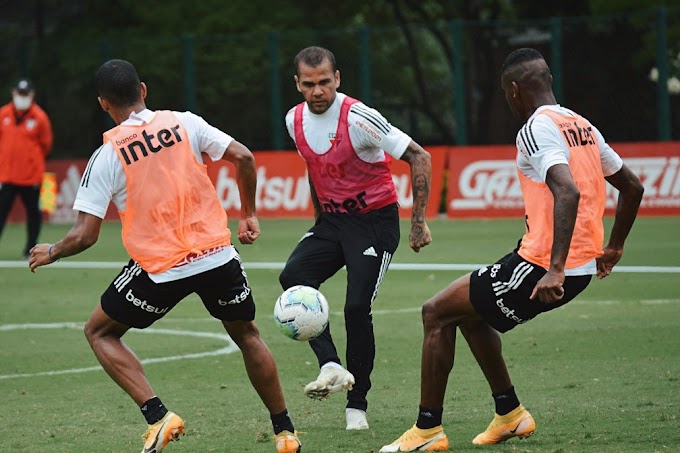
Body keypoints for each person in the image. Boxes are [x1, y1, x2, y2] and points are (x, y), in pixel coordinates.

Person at [28, 59, 301, 453]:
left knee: (99, 332)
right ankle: (285, 432)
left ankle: (158, 416)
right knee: (247, 335)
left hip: (161, 268)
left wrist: (52, 250)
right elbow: (243, 156)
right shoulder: (186, 122)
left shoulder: (106, 155)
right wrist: (250, 213)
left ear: (103, 104)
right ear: (144, 90)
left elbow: (85, 235)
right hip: (217, 255)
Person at [380, 47, 644, 452]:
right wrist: (614, 246)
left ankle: (427, 430)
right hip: (576, 263)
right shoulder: (581, 125)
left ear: (515, 90)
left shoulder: (536, 129)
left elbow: (567, 191)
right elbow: (632, 186)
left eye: (506, 93)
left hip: (544, 266)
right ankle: (510, 414)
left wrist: (555, 269)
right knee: (469, 314)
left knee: (435, 312)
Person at [278, 46, 433, 431]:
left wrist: (418, 223)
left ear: (338, 79)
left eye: (325, 82)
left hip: (374, 223)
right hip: (332, 222)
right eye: (310, 84)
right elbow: (315, 171)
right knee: (292, 276)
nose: (318, 91)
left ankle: (357, 405)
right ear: (297, 84)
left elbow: (420, 156)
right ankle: (330, 364)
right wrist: (319, 223)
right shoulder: (293, 120)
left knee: (355, 308)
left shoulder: (360, 118)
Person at [0, 78, 53, 258]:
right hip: (6, 175)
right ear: (13, 94)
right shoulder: (3, 114)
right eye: (19, 94)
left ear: (31, 96)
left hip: (31, 177)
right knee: (1, 212)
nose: (22, 98)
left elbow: (46, 144)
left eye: (25, 95)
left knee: (33, 215)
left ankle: (30, 249)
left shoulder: (40, 117)